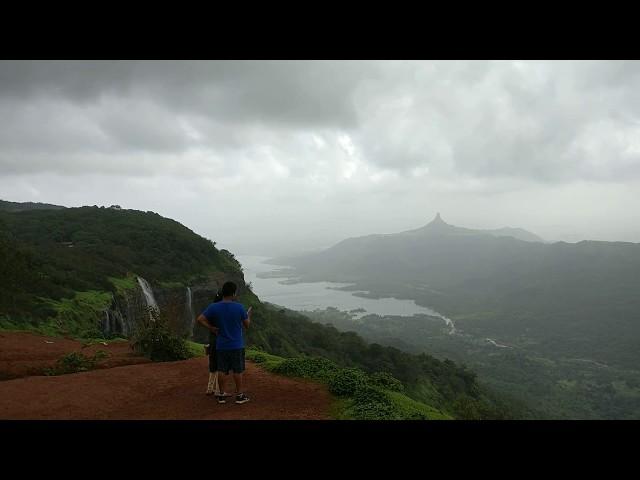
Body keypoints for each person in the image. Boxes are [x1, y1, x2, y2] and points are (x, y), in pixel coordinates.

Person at [196, 281, 252, 404]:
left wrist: (211, 328)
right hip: (236, 345)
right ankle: (239, 396)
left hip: (221, 345)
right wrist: (248, 316)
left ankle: (221, 395)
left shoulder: (214, 307)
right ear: (233, 293)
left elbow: (200, 319)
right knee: (237, 371)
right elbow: (246, 325)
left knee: (222, 370)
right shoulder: (239, 307)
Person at [203, 291, 223, 396]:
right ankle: (218, 390)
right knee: (220, 366)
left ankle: (209, 388)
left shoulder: (211, 310)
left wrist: (210, 328)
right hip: (220, 341)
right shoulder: (221, 311)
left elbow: (201, 319)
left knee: (213, 365)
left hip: (212, 341)